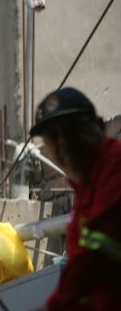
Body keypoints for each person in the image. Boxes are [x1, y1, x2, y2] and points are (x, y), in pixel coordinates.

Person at [29, 87, 121, 310]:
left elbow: (97, 258)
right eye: (52, 137)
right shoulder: (85, 192)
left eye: (71, 131)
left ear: (98, 126)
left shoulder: (116, 166)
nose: (63, 143)